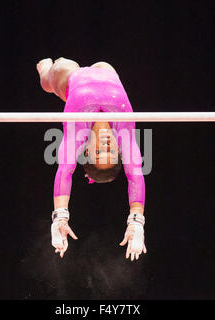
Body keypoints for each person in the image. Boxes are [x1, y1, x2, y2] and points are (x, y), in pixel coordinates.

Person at [37, 57, 146, 261]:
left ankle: (44, 71)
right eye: (110, 152)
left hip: (71, 78)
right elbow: (136, 176)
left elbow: (65, 171)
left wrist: (60, 216)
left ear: (86, 151)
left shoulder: (77, 131)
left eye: (98, 153)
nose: (105, 146)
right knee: (102, 66)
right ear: (120, 151)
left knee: (53, 74)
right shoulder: (124, 132)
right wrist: (136, 222)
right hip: (107, 71)